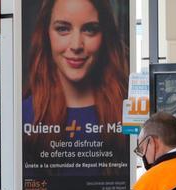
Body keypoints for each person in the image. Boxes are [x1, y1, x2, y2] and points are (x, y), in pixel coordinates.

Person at [22, 0, 127, 148]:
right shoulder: (23, 116)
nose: (76, 45)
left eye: (90, 29)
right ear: (46, 35)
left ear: (105, 36)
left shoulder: (126, 112)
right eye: (63, 29)